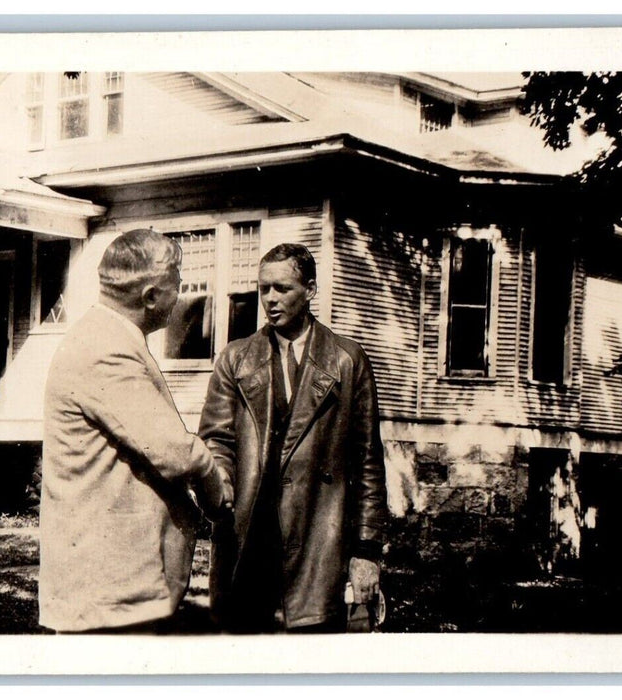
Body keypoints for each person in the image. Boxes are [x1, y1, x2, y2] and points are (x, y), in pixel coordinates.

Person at [39, 228, 232, 634]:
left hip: (116, 584)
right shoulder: (104, 349)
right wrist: (217, 490)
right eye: (177, 285)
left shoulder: (110, 337)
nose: (180, 296)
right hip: (111, 590)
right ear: (150, 297)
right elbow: (174, 451)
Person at [199, 242, 390, 633]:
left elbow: (367, 462)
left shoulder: (347, 360)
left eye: (282, 288)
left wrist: (366, 551)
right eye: (263, 288)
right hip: (248, 540)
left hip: (319, 540)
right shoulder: (235, 359)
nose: (269, 299)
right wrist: (221, 491)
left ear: (310, 290)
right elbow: (217, 440)